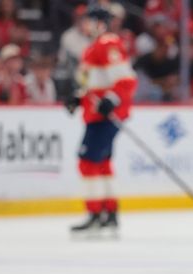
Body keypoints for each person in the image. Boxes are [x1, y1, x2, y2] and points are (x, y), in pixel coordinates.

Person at [65, 5, 137, 237]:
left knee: (87, 161)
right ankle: (110, 214)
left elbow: (126, 81)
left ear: (100, 22)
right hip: (96, 114)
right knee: (102, 163)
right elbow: (93, 84)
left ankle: (95, 214)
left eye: (89, 20)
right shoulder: (92, 47)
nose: (85, 25)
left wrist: (112, 99)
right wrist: (79, 98)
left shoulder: (108, 44)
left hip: (105, 116)